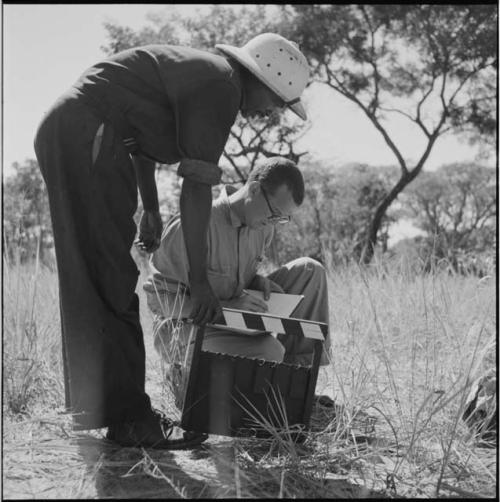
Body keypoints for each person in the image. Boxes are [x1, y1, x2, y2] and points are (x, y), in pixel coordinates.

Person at [33, 34, 310, 448]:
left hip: (86, 133)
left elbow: (142, 143)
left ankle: (117, 410)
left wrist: (150, 206)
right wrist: (200, 282)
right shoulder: (222, 86)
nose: (272, 112)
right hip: (87, 131)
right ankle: (128, 418)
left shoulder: (209, 76)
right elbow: (197, 186)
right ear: (267, 81)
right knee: (108, 277)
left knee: (101, 273)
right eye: (278, 103)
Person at [144, 157, 331, 411]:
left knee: (310, 270)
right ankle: (182, 377)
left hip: (235, 324)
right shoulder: (194, 224)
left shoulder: (263, 228)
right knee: (270, 351)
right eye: (275, 214)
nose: (275, 223)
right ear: (254, 189)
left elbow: (234, 274)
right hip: (187, 329)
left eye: (282, 219)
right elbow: (158, 300)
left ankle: (296, 382)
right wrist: (226, 307)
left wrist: (257, 281)